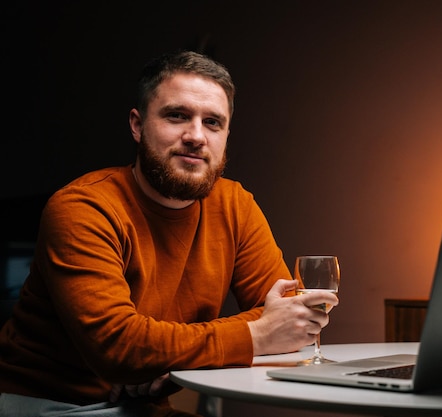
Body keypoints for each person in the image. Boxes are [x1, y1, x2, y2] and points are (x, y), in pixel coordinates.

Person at [0, 50, 338, 417]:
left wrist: (165, 359)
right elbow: (119, 348)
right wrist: (254, 335)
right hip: (52, 405)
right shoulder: (82, 207)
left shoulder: (235, 204)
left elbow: (291, 320)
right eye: (177, 116)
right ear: (137, 124)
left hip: (144, 405)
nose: (196, 136)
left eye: (212, 122)